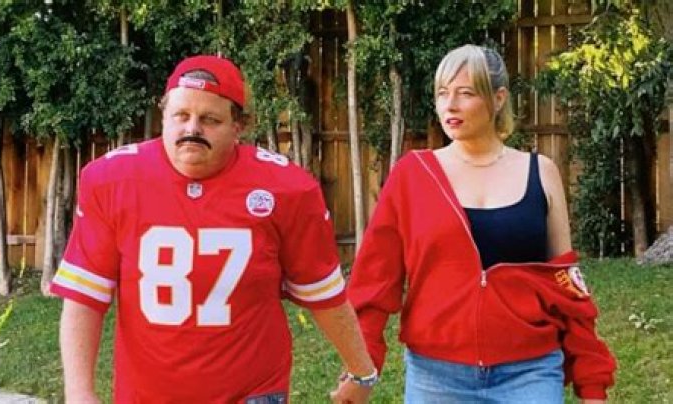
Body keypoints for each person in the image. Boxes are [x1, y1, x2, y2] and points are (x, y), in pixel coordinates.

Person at [50, 55, 376, 403]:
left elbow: (322, 294)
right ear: (163, 115)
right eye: (181, 115)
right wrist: (79, 392)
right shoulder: (111, 180)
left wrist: (361, 370)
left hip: (251, 391)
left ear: (239, 126)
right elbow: (85, 295)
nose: (192, 129)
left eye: (210, 119)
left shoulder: (286, 189)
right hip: (146, 395)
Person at [346, 44, 616, 403]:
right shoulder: (413, 175)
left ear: (498, 98)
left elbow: (568, 287)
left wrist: (592, 385)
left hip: (530, 373)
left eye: (466, 93)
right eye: (443, 93)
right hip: (436, 376)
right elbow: (374, 283)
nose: (450, 105)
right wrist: (362, 368)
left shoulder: (541, 173)